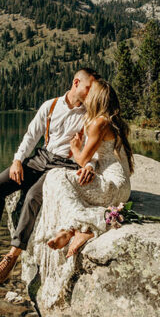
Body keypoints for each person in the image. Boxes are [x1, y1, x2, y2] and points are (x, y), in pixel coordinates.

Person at [0, 68, 99, 285]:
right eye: (89, 88)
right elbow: (32, 136)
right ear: (76, 83)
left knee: (32, 197)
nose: (92, 94)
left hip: (63, 167)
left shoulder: (90, 115)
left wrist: (90, 165)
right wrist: (17, 160)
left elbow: (94, 148)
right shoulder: (50, 106)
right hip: (40, 158)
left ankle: (11, 259)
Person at [43, 77, 134, 257]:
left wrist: (75, 148)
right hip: (121, 187)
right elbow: (95, 159)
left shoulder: (98, 122)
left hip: (112, 186)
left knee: (55, 176)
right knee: (70, 184)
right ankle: (70, 229)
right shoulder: (112, 121)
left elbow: (82, 159)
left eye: (90, 93)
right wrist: (90, 167)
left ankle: (89, 224)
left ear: (97, 98)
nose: (86, 96)